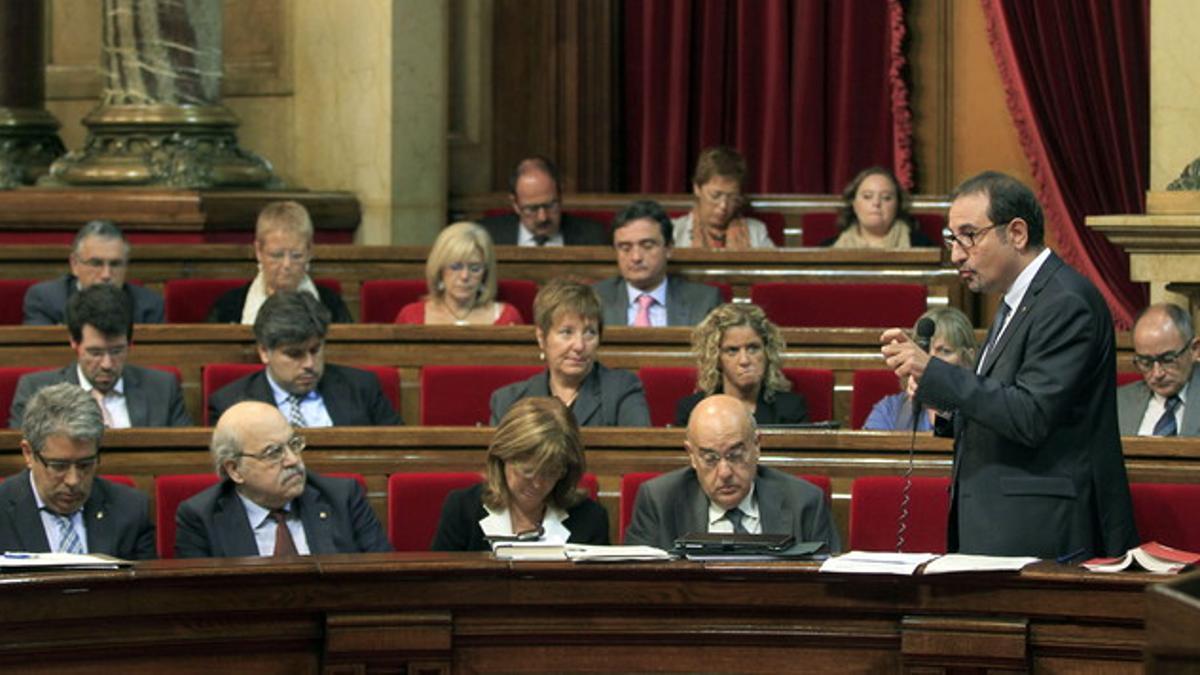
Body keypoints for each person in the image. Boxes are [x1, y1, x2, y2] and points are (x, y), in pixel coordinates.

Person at [880, 170, 1137, 559]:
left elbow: (1031, 414)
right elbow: (1002, 401)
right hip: (1004, 524)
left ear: (1016, 233)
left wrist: (935, 373)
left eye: (969, 236)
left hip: (1042, 531)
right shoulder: (1018, 300)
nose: (956, 254)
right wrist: (943, 406)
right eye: (952, 239)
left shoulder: (1065, 302)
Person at [624, 394, 840, 552]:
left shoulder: (805, 502)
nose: (725, 472)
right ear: (691, 455)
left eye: (735, 455)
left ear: (756, 445)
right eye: (710, 459)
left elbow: (826, 591)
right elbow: (640, 590)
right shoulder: (658, 501)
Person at [174, 401, 391, 557]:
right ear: (235, 470)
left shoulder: (343, 497)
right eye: (273, 453)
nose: (293, 460)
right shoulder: (200, 517)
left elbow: (384, 579)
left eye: (294, 445)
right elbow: (199, 603)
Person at [0, 383, 155, 559]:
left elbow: (146, 586)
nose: (73, 480)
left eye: (85, 465)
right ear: (28, 453)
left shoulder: (131, 509)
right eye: (59, 466)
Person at [432, 397, 609, 550]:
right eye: (528, 471)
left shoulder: (590, 518)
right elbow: (440, 586)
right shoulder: (462, 510)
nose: (538, 484)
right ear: (503, 456)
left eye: (551, 473)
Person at [10, 284, 191, 428]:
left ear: (130, 343)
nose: (107, 364)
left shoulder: (163, 388)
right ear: (75, 343)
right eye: (95, 353)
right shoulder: (35, 390)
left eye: (117, 351)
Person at [209, 291, 401, 426]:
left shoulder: (362, 387)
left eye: (315, 350)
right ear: (264, 352)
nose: (310, 364)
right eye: (295, 354)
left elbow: (398, 454)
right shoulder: (231, 405)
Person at [490, 278, 650, 427]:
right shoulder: (508, 401)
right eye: (567, 332)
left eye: (589, 333)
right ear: (541, 337)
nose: (579, 346)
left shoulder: (622, 390)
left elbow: (639, 454)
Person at [207, 201, 352, 324]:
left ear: (309, 251)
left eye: (296, 255)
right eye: (276, 255)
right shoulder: (229, 308)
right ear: (259, 251)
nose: (287, 265)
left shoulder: (331, 307)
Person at [674, 304, 808, 427]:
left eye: (753, 348)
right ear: (717, 358)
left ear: (767, 352)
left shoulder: (791, 408)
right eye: (732, 351)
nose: (744, 360)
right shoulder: (693, 410)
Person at [593, 200, 722, 327]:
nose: (636, 257)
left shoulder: (704, 301)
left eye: (647, 246)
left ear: (669, 248)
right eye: (625, 248)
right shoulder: (594, 299)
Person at [23, 220, 164, 325]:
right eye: (96, 264)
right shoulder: (47, 300)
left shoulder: (149, 306)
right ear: (75, 264)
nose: (106, 275)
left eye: (115, 264)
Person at [864, 307, 976, 431]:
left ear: (968, 359)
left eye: (944, 351)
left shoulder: (979, 414)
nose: (929, 359)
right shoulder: (889, 410)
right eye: (923, 350)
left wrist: (942, 411)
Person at [395, 221, 523, 325]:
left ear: (485, 273)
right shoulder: (410, 317)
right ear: (440, 269)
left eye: (475, 268)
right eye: (455, 266)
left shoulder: (508, 318)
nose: (465, 276)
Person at [479, 156, 607, 246]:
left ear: (561, 196)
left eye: (550, 205)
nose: (543, 217)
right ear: (515, 204)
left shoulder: (593, 236)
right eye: (532, 209)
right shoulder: (486, 237)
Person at [1117, 303, 1200, 436]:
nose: (1157, 373)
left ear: (1194, 349)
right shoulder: (1118, 403)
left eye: (1168, 359)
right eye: (1146, 362)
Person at [671, 146, 776, 249]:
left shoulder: (756, 231)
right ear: (697, 188)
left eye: (732, 198)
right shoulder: (674, 232)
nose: (723, 206)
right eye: (715, 196)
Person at [822, 166, 933, 248]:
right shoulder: (828, 249)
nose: (876, 203)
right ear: (854, 204)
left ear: (898, 205)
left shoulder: (923, 246)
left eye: (886, 198)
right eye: (867, 196)